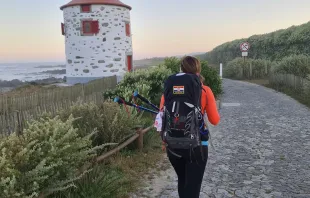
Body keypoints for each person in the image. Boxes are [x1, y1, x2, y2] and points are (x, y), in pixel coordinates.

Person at [157, 56, 220, 198]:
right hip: (197, 146)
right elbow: (215, 120)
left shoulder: (168, 92)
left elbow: (162, 118)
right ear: (198, 69)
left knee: (183, 180)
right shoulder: (205, 90)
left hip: (172, 145)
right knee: (193, 187)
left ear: (181, 69)